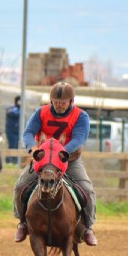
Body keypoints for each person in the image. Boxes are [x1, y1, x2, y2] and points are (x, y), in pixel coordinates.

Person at [13, 82, 98, 246]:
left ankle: (88, 227)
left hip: (69, 159)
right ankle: (22, 222)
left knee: (87, 189)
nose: (59, 105)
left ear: (71, 101)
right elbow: (29, 132)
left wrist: (61, 153)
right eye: (56, 102)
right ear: (51, 100)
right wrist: (32, 148)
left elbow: (79, 138)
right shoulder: (41, 112)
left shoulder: (81, 116)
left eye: (63, 102)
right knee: (19, 187)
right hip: (43, 161)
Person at [5, 96, 20, 164]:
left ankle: (15, 161)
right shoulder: (11, 108)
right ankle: (8, 160)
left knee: (17, 145)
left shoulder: (21, 109)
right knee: (12, 145)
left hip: (18, 131)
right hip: (11, 130)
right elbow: (13, 113)